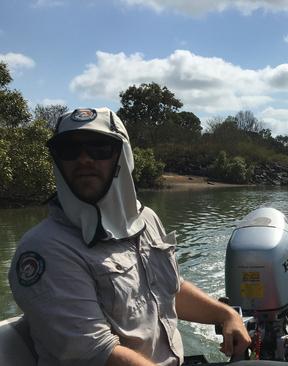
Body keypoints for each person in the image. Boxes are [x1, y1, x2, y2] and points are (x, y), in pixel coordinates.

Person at [8, 107, 251, 365]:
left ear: (122, 156)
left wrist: (226, 315)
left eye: (99, 148)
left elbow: (170, 289)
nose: (83, 160)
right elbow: (97, 353)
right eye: (69, 150)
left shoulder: (146, 220)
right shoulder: (46, 248)